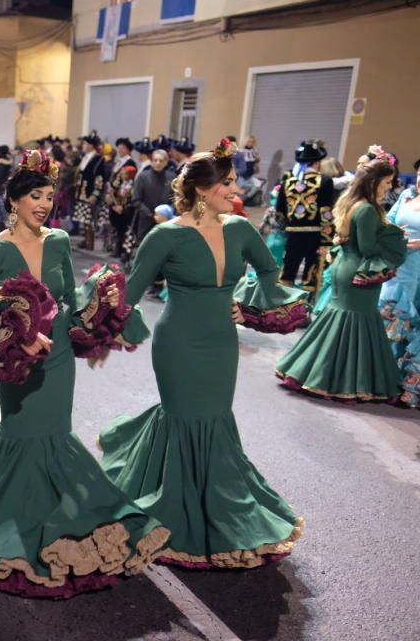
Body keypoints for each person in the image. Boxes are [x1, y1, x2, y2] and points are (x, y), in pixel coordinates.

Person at [0, 150, 168, 598]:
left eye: (49, 196)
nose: (44, 204)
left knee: (55, 433)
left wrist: (103, 328)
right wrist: (22, 334)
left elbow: (70, 296)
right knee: (21, 433)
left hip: (59, 356)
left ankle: (59, 518)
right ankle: (12, 525)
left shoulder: (57, 241)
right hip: (18, 356)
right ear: (13, 199)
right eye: (35, 195)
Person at [99, 139, 307, 569]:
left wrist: (246, 303)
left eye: (233, 183)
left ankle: (218, 504)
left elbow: (268, 269)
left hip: (220, 341)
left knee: (214, 417)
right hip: (178, 341)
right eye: (225, 184)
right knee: (184, 415)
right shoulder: (166, 235)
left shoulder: (239, 227)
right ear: (199, 190)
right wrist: (110, 332)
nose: (234, 192)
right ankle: (174, 506)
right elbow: (131, 291)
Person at [278, 159, 408, 402]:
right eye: (387, 182)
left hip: (344, 267)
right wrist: (397, 238)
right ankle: (338, 382)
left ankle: (308, 373)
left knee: (337, 321)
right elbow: (369, 248)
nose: (389, 187)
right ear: (374, 182)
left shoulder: (351, 203)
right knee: (352, 323)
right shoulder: (367, 209)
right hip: (357, 270)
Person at [379, 158, 420, 409]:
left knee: (415, 323)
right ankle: (385, 379)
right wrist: (394, 233)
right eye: (418, 175)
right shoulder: (406, 194)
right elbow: (388, 219)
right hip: (398, 264)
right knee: (388, 315)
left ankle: (410, 386)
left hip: (419, 269)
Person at [276, 140, 335, 297]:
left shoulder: (288, 179)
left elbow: (280, 209)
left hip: (293, 233)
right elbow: (326, 211)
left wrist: (287, 225)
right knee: (311, 273)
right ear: (317, 162)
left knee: (288, 270)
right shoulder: (325, 181)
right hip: (315, 234)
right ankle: (305, 308)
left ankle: (282, 305)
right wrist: (328, 239)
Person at [74, 134, 106, 250]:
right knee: (84, 218)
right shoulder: (85, 157)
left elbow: (100, 178)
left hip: (89, 192)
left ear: (91, 145)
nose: (83, 145)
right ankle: (85, 239)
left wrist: (95, 194)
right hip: (82, 191)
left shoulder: (98, 159)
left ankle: (90, 242)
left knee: (90, 219)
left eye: (85, 143)